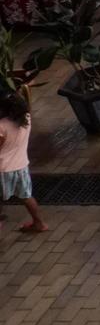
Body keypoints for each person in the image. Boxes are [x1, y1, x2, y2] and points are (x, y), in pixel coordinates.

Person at [0, 90, 45, 233]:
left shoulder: (1, 126)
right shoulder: (26, 118)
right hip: (21, 166)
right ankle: (39, 224)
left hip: (3, 169)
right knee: (26, 196)